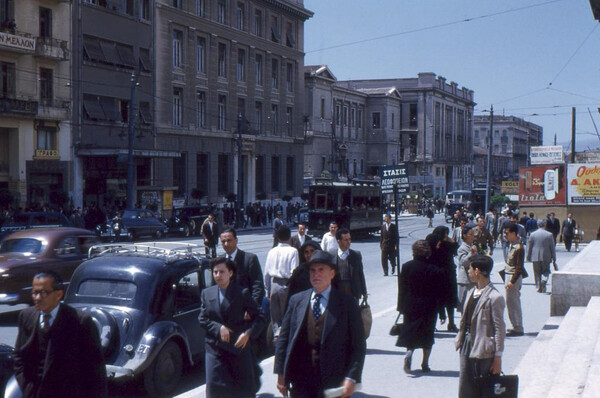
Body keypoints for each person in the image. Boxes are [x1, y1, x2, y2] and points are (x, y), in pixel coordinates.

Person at [274, 250, 366, 398]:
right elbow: (283, 340)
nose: (316, 274)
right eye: (312, 270)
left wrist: (351, 377)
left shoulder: (347, 303)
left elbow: (358, 345)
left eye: (321, 269)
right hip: (301, 380)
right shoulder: (296, 300)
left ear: (332, 273)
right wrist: (280, 373)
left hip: (334, 381)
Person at [14, 271, 107, 398]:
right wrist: (26, 386)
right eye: (34, 293)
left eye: (43, 293)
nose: (37, 298)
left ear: (58, 295)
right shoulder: (26, 316)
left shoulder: (79, 321)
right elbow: (19, 356)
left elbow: (95, 369)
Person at [199, 257, 266, 398]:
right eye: (215, 272)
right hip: (215, 349)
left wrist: (248, 334)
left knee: (242, 391)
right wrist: (218, 328)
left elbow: (260, 316)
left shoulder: (242, 293)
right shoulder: (207, 293)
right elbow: (202, 319)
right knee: (215, 389)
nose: (218, 275)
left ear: (230, 273)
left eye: (222, 272)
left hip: (238, 347)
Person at [455, 255, 505, 398]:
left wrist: (498, 358)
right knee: (466, 385)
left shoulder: (495, 297)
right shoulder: (471, 293)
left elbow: (499, 329)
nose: (468, 272)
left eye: (469, 269)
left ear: (477, 271)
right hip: (467, 344)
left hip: (484, 347)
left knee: (483, 386)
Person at [396, 240, 446, 373]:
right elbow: (439, 293)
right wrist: (442, 313)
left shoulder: (406, 267)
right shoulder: (434, 270)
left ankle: (409, 353)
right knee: (427, 336)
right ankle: (425, 363)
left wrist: (400, 307)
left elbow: (402, 289)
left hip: (410, 305)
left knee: (411, 332)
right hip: (429, 307)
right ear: (427, 252)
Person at [264, 225, 299, 339]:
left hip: (274, 285)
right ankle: (286, 338)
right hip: (286, 285)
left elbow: (266, 274)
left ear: (278, 238)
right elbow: (294, 273)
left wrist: (268, 289)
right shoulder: (293, 251)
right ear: (290, 237)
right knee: (286, 315)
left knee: (275, 317)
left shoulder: (272, 251)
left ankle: (276, 337)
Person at [220, 228, 265, 306]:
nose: (226, 244)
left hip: (245, 310)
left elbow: (258, 287)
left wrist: (251, 308)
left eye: (229, 240)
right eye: (223, 242)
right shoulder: (220, 261)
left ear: (236, 241)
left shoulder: (249, 259)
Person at [427, 226, 459, 332]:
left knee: (450, 301)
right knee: (436, 302)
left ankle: (451, 323)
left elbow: (455, 249)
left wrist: (449, 240)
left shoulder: (446, 244)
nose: (445, 236)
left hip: (448, 276)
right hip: (437, 277)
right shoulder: (433, 242)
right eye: (444, 234)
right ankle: (433, 324)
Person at [504, 223, 527, 336]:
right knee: (510, 303)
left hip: (513, 277)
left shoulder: (519, 247)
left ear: (513, 233)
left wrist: (511, 281)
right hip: (509, 275)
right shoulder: (511, 245)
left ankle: (518, 327)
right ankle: (515, 325)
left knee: (514, 303)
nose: (505, 235)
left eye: (507, 233)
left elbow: (519, 267)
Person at [335, 228, 368, 302]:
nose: (349, 242)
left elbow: (360, 274)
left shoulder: (356, 255)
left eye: (349, 239)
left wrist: (364, 292)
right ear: (339, 241)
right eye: (346, 240)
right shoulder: (332, 256)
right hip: (337, 292)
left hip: (353, 292)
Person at [526, 219, 556, 293]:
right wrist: (554, 258)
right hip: (546, 256)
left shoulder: (533, 234)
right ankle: (544, 280)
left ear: (537, 225)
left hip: (535, 256)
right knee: (546, 271)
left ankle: (538, 286)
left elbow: (529, 247)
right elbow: (552, 247)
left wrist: (528, 256)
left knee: (536, 272)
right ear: (545, 225)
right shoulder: (549, 234)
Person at [456, 224, 477, 313]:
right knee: (464, 306)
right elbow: (463, 262)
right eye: (471, 234)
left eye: (473, 234)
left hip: (473, 279)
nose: (473, 236)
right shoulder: (462, 248)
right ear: (465, 235)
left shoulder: (472, 246)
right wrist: (471, 253)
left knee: (472, 305)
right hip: (465, 280)